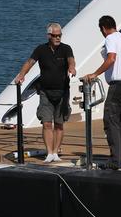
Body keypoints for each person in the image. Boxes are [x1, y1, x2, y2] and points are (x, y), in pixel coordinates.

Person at [15, 22, 76, 163]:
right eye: (55, 36)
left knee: (59, 124)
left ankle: (56, 152)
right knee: (47, 123)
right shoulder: (41, 49)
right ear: (49, 36)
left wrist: (72, 68)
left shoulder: (66, 49)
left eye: (60, 35)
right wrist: (22, 74)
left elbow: (71, 60)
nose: (58, 38)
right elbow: (30, 62)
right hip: (45, 92)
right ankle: (49, 152)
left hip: (62, 92)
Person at [84, 15, 121, 169]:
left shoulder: (110, 38)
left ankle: (114, 161)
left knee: (110, 120)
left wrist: (95, 74)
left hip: (119, 85)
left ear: (103, 29)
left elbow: (111, 58)